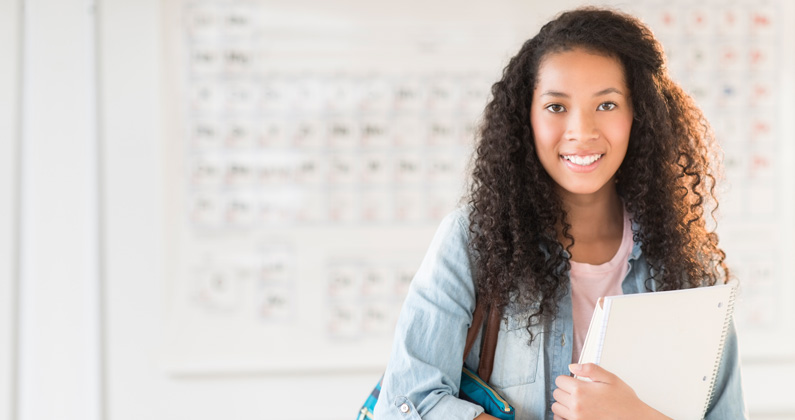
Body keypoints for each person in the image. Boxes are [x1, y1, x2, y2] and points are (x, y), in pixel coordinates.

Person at [373, 6, 747, 420]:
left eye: (606, 105)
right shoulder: (473, 239)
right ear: (526, 119)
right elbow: (407, 403)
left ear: (638, 115)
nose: (582, 131)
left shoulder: (688, 264)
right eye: (556, 107)